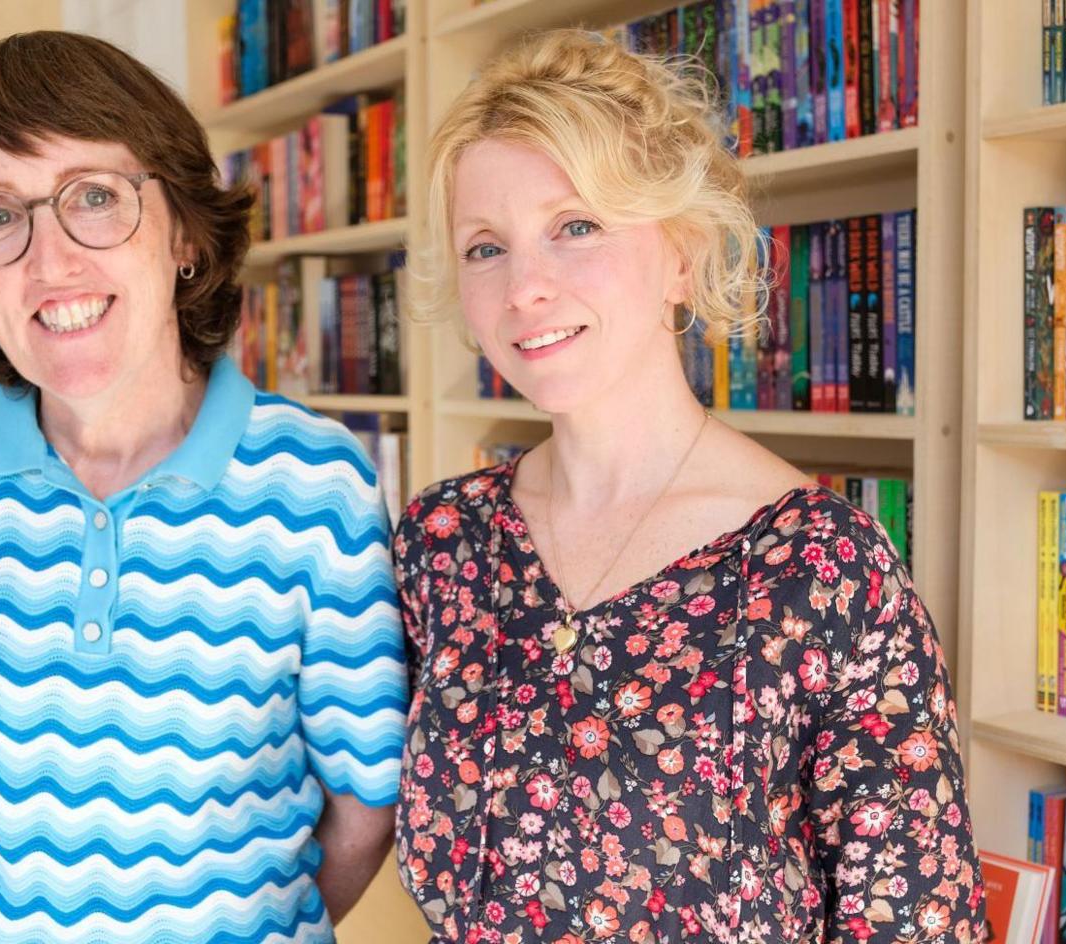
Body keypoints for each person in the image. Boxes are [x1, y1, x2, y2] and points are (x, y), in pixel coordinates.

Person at [0, 31, 405, 944]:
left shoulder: (316, 482)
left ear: (183, 229)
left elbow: (365, 799)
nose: (49, 259)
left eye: (94, 198)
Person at [391, 30, 984, 944]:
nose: (524, 288)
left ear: (680, 252)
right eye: (484, 248)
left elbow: (917, 922)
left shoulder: (820, 569)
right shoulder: (443, 540)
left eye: (575, 226)